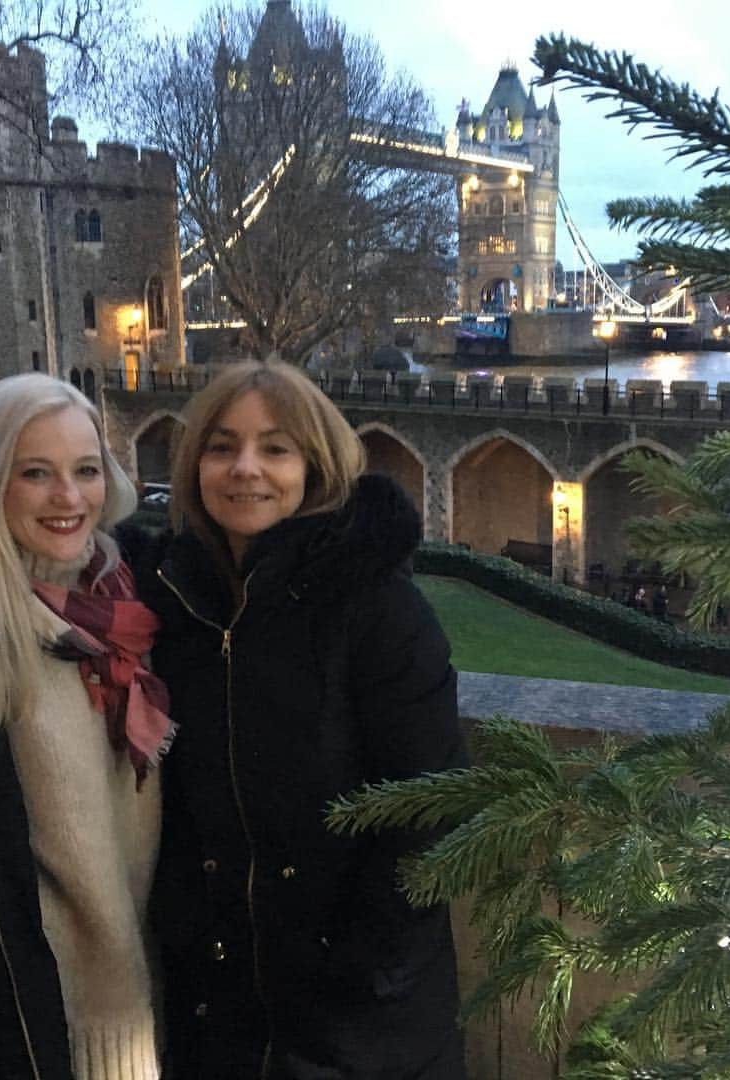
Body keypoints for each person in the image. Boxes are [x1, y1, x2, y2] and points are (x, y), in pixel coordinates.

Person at [144, 359, 466, 1079]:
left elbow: (431, 811)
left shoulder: (380, 611)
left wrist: (348, 968)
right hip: (216, 1007)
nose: (245, 469)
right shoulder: (170, 604)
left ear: (315, 467)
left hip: (359, 1023)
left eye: (275, 448)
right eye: (222, 446)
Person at [0, 373, 171, 1080]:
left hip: (146, 1017)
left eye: (85, 471)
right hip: (25, 1033)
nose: (69, 498)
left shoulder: (124, 603)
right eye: (36, 474)